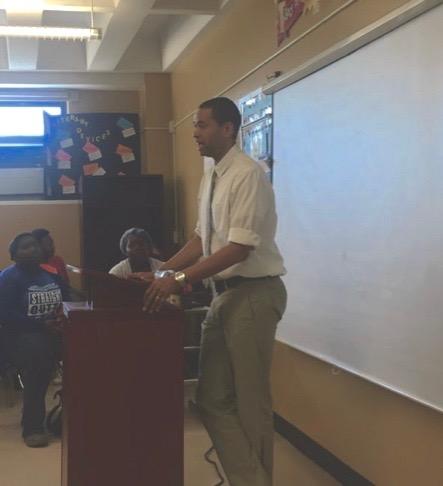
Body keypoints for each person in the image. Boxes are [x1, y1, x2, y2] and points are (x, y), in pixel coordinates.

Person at [143, 97, 287, 486]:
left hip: (254, 294)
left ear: (228, 129)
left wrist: (177, 281)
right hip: (224, 295)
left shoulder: (247, 174)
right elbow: (200, 239)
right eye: (195, 125)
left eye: (202, 125)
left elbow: (238, 249)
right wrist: (162, 270)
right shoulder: (212, 176)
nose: (194, 133)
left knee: (251, 403)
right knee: (210, 399)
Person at [0, 233, 69, 447]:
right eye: (25, 247)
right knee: (37, 358)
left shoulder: (50, 274)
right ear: (14, 255)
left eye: (34, 246)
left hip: (51, 333)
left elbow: (66, 300)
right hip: (19, 336)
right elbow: (6, 315)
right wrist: (41, 325)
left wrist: (62, 316)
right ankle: (32, 427)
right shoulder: (8, 278)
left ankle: (72, 416)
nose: (32, 250)